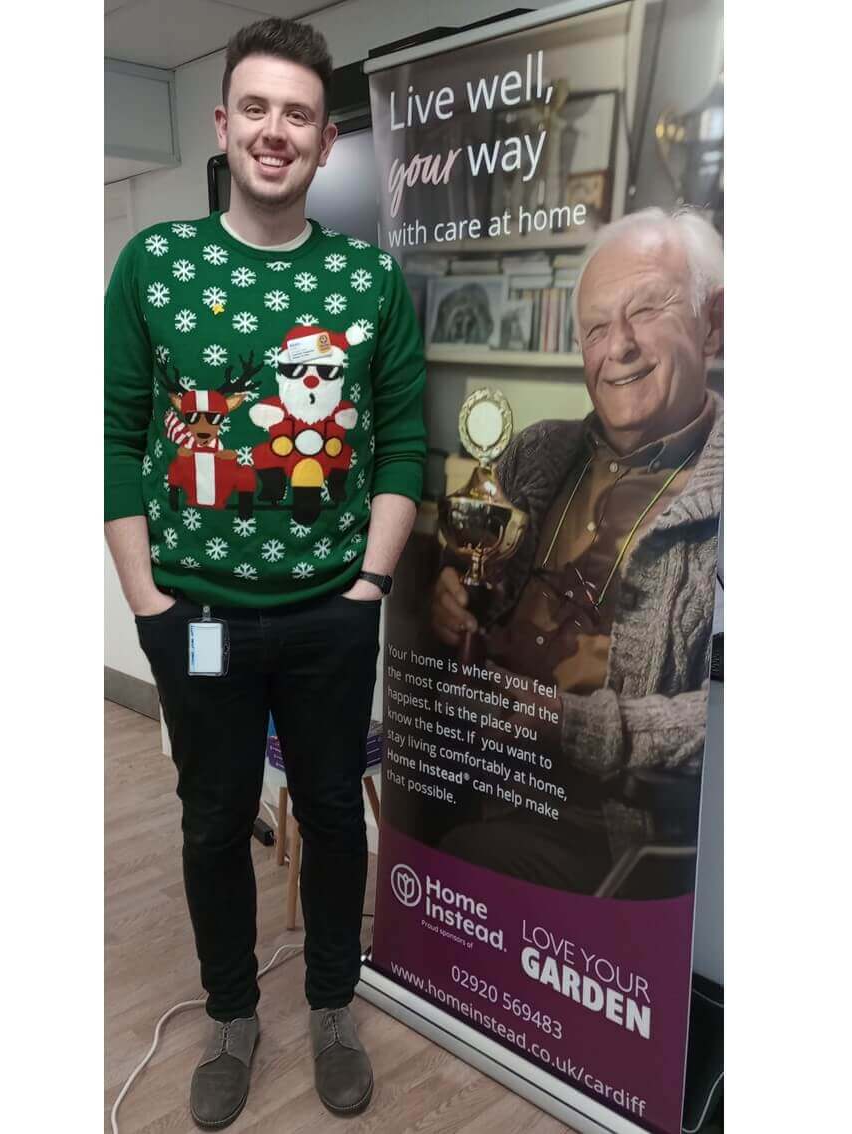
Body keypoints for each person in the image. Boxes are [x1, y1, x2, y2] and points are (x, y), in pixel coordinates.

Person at [104, 17, 426, 1127]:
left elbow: (401, 444)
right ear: (223, 124)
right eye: (256, 108)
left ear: (325, 140)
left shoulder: (367, 280)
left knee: (334, 816)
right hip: (197, 618)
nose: (274, 131)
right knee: (212, 822)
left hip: (331, 614)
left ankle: (332, 1005)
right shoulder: (157, 265)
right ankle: (233, 1016)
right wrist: (149, 603)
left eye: (297, 114)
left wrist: (368, 587)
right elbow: (115, 437)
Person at [430, 207, 722, 897]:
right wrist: (453, 594)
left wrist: (574, 725)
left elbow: (722, 721)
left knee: (460, 860)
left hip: (606, 834)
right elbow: (476, 568)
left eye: (645, 309)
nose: (618, 347)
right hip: (480, 770)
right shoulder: (538, 450)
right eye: (595, 327)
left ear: (713, 325)